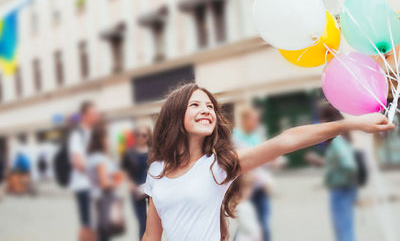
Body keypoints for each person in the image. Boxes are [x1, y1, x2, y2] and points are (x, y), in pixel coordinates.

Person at [142, 83, 394, 241]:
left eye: (210, 106)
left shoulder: (219, 165)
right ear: (175, 116)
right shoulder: (156, 171)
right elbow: (151, 235)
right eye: (195, 104)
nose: (206, 110)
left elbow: (286, 141)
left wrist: (353, 123)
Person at [307, 105, 359, 241]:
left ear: (327, 121)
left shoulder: (337, 141)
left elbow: (349, 165)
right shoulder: (342, 138)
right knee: (345, 228)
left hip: (341, 189)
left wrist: (345, 183)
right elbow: (339, 163)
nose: (320, 123)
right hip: (344, 188)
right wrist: (320, 162)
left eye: (322, 120)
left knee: (343, 230)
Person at [233, 106, 284, 241]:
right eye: (254, 120)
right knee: (247, 223)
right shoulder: (235, 138)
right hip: (246, 186)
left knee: (263, 223)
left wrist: (274, 160)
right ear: (245, 120)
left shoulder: (256, 136)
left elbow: (264, 157)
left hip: (260, 186)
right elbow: (236, 162)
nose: (256, 123)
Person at [69, 101, 99, 241]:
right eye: (93, 113)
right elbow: (78, 162)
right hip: (83, 185)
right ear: (85, 115)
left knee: (97, 225)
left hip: (96, 186)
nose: (96, 116)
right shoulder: (78, 135)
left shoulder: (95, 134)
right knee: (87, 225)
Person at [87, 124, 120, 241]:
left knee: (100, 233)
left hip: (95, 198)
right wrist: (117, 181)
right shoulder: (101, 159)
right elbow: (105, 183)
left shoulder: (92, 157)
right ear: (101, 139)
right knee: (104, 234)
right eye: (107, 137)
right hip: (104, 199)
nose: (108, 141)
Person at [121, 125, 151, 239]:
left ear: (148, 137)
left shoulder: (154, 152)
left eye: (144, 135)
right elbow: (125, 170)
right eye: (138, 135)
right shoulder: (129, 153)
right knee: (142, 222)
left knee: (153, 223)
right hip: (136, 191)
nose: (141, 138)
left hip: (151, 190)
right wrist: (130, 184)